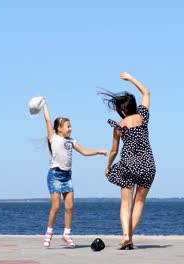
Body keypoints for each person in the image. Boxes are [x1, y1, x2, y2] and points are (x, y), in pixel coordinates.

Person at [39, 97, 107, 248]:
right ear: (59, 129)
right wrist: (44, 105)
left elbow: (84, 151)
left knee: (70, 207)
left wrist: (98, 151)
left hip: (67, 177)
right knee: (56, 207)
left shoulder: (72, 141)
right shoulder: (54, 138)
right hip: (55, 175)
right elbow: (48, 121)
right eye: (68, 126)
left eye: (71, 126)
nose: (70, 128)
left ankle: (66, 234)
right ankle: (49, 233)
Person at [100, 72, 156, 250]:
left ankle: (126, 237)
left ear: (121, 110)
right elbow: (146, 93)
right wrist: (131, 78)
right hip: (148, 164)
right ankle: (130, 237)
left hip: (128, 164)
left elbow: (114, 151)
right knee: (139, 202)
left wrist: (108, 167)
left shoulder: (120, 127)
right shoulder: (143, 117)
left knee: (126, 203)